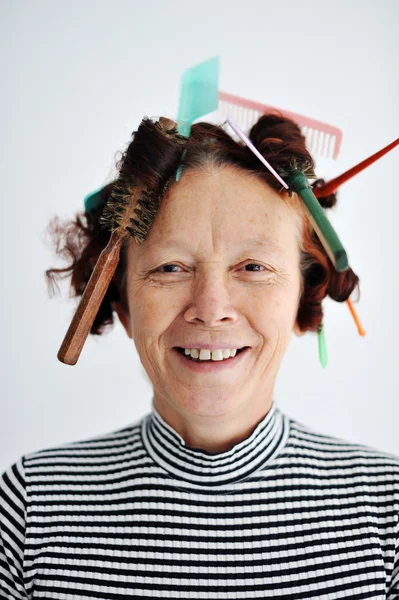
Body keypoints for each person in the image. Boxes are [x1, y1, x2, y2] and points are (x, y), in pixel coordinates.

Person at [1, 114, 398, 599]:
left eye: (253, 266)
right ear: (122, 304)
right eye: (170, 267)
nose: (211, 310)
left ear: (305, 296)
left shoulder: (388, 512)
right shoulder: (30, 507)